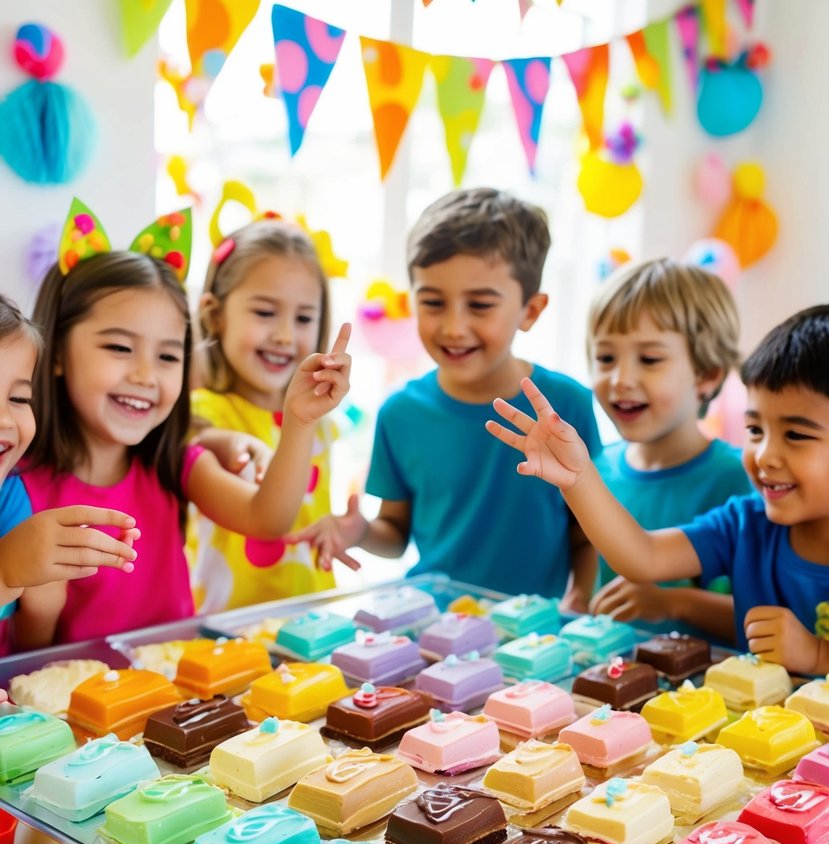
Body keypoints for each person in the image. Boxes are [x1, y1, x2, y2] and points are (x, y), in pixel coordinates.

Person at [17, 245, 350, 648]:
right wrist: (41, 608)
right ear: (56, 354)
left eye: (168, 356)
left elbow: (269, 520)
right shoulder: (17, 489)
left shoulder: (175, 465)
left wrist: (299, 420)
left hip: (177, 696)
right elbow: (24, 666)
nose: (146, 375)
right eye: (120, 348)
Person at [289, 187, 601, 605]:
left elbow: (590, 535)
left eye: (480, 305)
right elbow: (395, 533)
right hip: (432, 632)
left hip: (536, 639)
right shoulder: (400, 413)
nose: (454, 327)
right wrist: (360, 532)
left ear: (530, 311)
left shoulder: (568, 405)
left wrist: (579, 600)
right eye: (433, 302)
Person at [486, 304, 829, 675]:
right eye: (755, 430)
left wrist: (817, 656)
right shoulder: (743, 523)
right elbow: (643, 557)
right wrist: (579, 478)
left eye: (795, 434)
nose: (765, 456)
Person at [587, 257, 751, 640]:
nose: (620, 379)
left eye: (649, 359)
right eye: (606, 357)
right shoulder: (595, 470)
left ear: (707, 375)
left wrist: (672, 602)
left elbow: (763, 621)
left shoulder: (739, 480)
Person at [188, 217, 340, 611]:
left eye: (304, 318)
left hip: (310, 620)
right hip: (223, 629)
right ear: (215, 314)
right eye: (265, 313)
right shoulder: (204, 414)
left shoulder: (321, 422)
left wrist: (345, 529)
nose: (286, 336)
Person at [0, 294, 136, 654]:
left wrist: (43, 602)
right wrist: (4, 573)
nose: (5, 420)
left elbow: (24, 655)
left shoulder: (11, 499)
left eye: (18, 400)